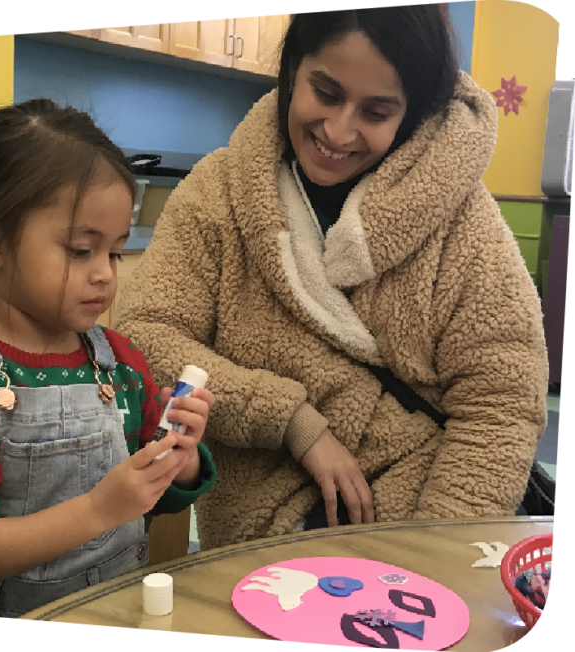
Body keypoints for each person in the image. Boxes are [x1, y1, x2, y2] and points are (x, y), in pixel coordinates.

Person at [115, 6, 550, 552]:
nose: (339, 131)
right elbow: (144, 339)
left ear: (410, 114)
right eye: (325, 92)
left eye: (376, 111)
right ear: (293, 69)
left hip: (420, 518)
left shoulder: (462, 221)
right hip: (260, 540)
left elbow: (503, 401)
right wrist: (293, 420)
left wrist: (435, 555)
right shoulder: (218, 193)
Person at [0, 99, 216, 618]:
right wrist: (100, 509)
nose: (106, 273)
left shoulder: (121, 362)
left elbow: (162, 498)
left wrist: (181, 458)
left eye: (116, 251)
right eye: (81, 250)